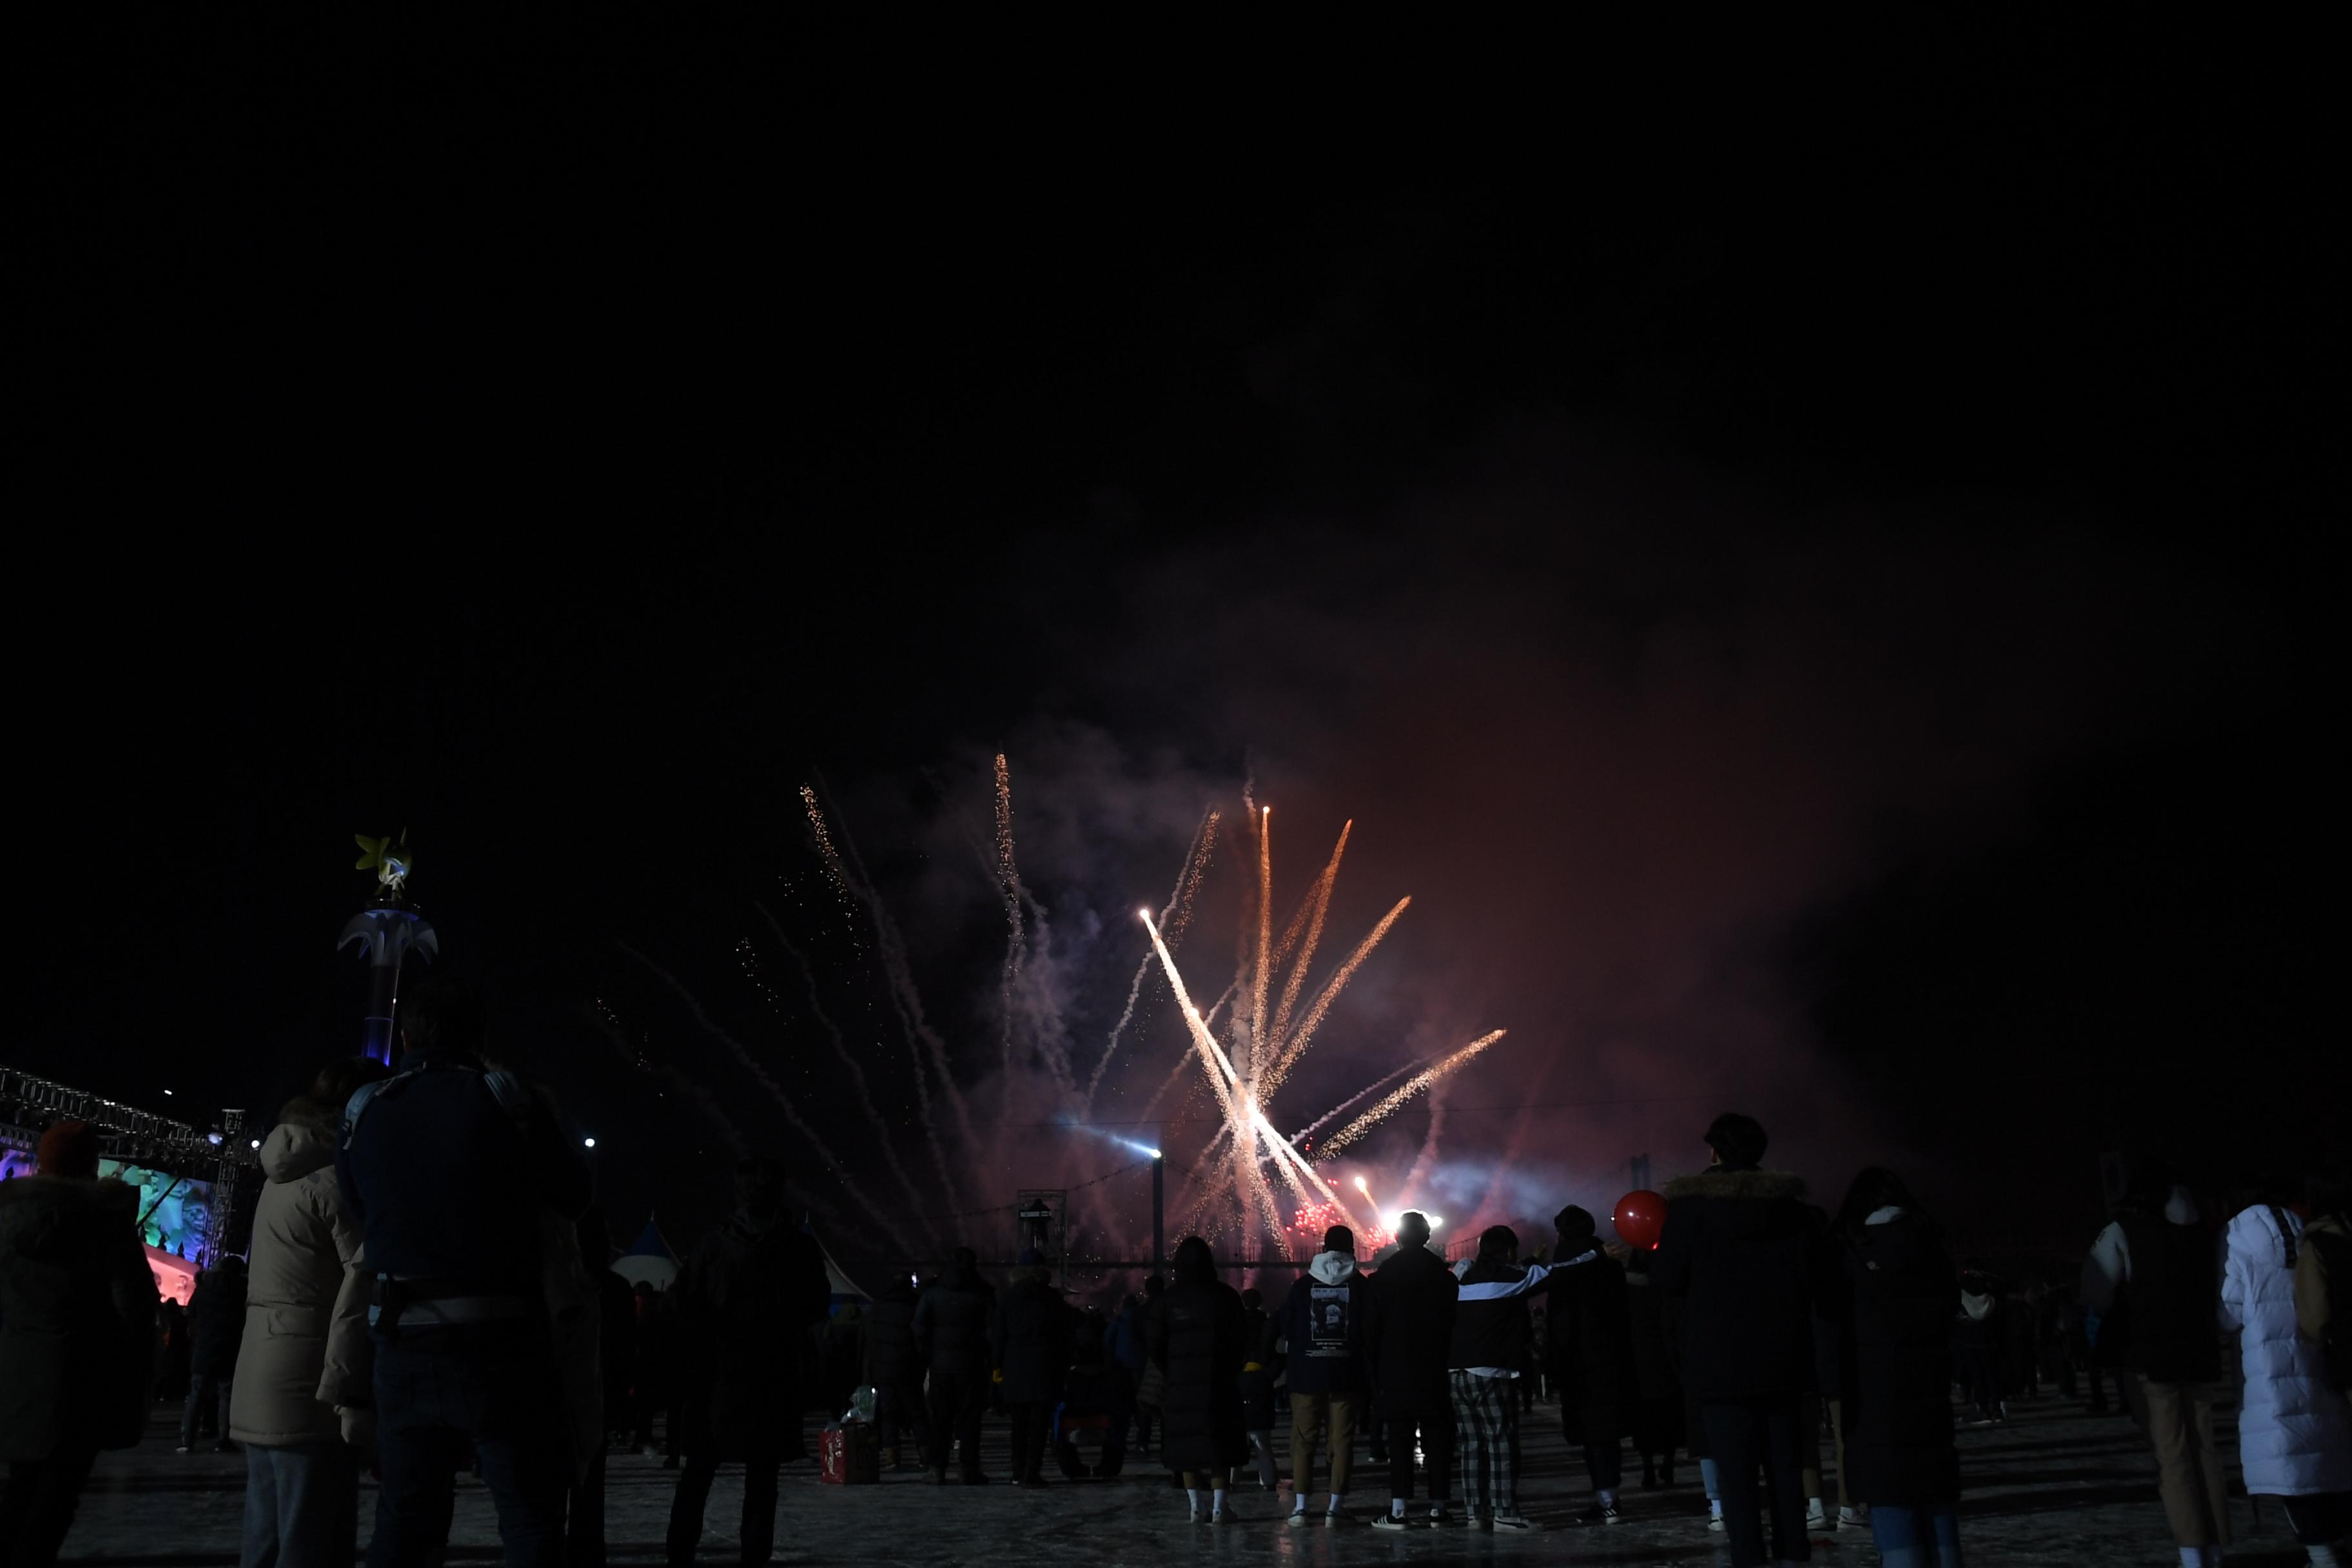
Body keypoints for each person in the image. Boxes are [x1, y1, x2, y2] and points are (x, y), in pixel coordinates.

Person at [335, 974, 594, 1568]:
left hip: (401, 1339)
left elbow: (359, 1212)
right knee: (529, 1521)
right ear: (480, 1034)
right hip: (503, 1341)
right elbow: (574, 1196)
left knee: (404, 1522)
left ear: (405, 1034)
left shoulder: (367, 1109)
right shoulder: (508, 1099)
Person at [228, 1057, 387, 1568]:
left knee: (267, 1533)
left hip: (261, 1367)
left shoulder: (282, 1174)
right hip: (309, 1377)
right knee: (312, 1539)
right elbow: (359, 1286)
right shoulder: (334, 1181)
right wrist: (348, 1391)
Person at [1651, 1112, 1818, 1568]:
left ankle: (1748, 1555)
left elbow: (1667, 1279)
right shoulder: (1794, 1211)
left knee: (1736, 1472)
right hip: (1784, 1358)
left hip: (1718, 1360)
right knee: (1785, 1465)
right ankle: (1794, 1553)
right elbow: (1816, 1281)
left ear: (1715, 1152)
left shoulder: (1690, 1211)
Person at [0, 1120, 157, 1567]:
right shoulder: (103, 1221)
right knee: (57, 1499)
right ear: (91, 1164)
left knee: (21, 1489)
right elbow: (135, 1307)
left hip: (17, 1369)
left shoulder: (8, 1218)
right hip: (84, 1377)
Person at [663, 1158, 830, 1567]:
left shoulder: (713, 1247)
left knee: (699, 1476)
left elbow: (683, 1308)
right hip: (769, 1377)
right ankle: (751, 1558)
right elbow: (815, 1305)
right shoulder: (797, 1248)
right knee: (761, 1481)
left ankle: (679, 1556)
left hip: (716, 1377)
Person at [2082, 1159, 2230, 1568]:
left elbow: (2096, 1292)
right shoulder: (2204, 1230)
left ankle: (2192, 1554)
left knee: (2172, 1456)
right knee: (2205, 1453)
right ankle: (2216, 1549)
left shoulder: (2123, 1230)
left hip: (2147, 1356)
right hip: (2199, 1353)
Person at [2222, 1177, 2352, 1568]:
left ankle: (2321, 1553)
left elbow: (2228, 1311)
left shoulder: (2237, 1238)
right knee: (2325, 1457)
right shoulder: (2306, 1231)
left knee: (2288, 1465)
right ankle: (2337, 1542)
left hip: (2267, 1370)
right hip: (2315, 1360)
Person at [1839, 1167, 1962, 1568]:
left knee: (1888, 1489)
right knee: (1934, 1489)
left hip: (1872, 1385)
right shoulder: (1931, 1246)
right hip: (1929, 1382)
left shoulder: (1853, 1250)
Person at [1267, 1223, 1368, 1527]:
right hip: (1347, 1375)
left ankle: (1300, 1508)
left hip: (1306, 1375)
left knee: (1304, 1440)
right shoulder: (1361, 1286)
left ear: (1322, 1248)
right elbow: (1371, 1330)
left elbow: (1286, 1324)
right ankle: (1335, 1508)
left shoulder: (1302, 1286)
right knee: (1342, 1441)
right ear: (1352, 1249)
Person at [1364, 1211, 1459, 1530]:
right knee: (1438, 1441)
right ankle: (1439, 1508)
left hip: (1394, 1369)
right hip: (1436, 1367)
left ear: (1397, 1238)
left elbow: (1371, 1332)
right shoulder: (1446, 1280)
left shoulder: (1379, 1281)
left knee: (1400, 1441)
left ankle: (1399, 1510)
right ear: (1428, 1236)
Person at [1148, 1235, 1250, 1524]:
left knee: (1185, 1446)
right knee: (1220, 1443)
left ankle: (1195, 1506)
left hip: (1180, 1384)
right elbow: (1240, 1340)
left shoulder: (1168, 1301)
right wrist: (1229, 1368)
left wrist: (1172, 1370)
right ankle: (1220, 1506)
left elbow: (1154, 1343)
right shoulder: (1225, 1296)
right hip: (1218, 1381)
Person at [1451, 1224, 1545, 1531]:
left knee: (1470, 1445)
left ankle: (1474, 1514)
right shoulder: (1509, 1279)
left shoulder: (1463, 1277)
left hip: (1456, 1372)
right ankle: (1505, 1511)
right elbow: (1551, 1274)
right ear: (1508, 1252)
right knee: (1500, 1442)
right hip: (1491, 1371)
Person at [1545, 1206, 1631, 1525]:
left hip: (1579, 1363)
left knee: (1592, 1435)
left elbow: (1559, 1316)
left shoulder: (1566, 1261)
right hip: (1611, 1358)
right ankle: (1610, 1496)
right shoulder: (1609, 1263)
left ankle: (1605, 1500)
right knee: (1606, 1435)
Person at [988, 1247, 1072, 1488]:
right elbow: (1064, 1336)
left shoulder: (1007, 1298)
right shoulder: (1053, 1299)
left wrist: (997, 1368)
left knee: (1019, 1424)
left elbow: (998, 1337)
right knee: (1038, 1426)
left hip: (1015, 1367)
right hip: (1045, 1366)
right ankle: (1031, 1472)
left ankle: (1017, 1471)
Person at [912, 1248, 994, 1485]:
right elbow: (991, 1331)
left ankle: (937, 1468)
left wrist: (928, 1353)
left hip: (941, 1366)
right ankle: (968, 1468)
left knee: (940, 1419)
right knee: (970, 1419)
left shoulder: (932, 1294)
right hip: (972, 1365)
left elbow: (918, 1328)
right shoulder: (983, 1293)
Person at [1622, 1242, 1686, 1491]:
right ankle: (1668, 1464)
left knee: (1644, 1422)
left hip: (1639, 1363)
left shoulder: (1626, 1291)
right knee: (1669, 1418)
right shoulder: (1667, 1289)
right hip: (1666, 1362)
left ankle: (1648, 1467)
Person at [1054, 1311, 1133, 1480]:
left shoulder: (1070, 1351)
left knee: (1057, 1426)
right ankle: (1109, 1468)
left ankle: (1072, 1468)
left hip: (1073, 1410)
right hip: (1105, 1410)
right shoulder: (1109, 1356)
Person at [182, 1257, 249, 1453]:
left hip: (204, 1348)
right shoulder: (239, 1291)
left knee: (197, 1395)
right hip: (229, 1349)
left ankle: (188, 1440)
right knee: (226, 1395)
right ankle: (223, 1439)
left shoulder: (203, 1289)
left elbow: (191, 1314)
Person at [862, 1273, 925, 1471]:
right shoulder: (916, 1307)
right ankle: (926, 1455)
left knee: (888, 1413)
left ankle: (892, 1457)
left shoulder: (877, 1309)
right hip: (909, 1368)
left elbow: (870, 1342)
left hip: (884, 1368)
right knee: (917, 1413)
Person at [1237, 1288, 1279, 1492]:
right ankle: (1268, 1480)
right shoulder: (1267, 1324)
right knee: (1262, 1439)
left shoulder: (1235, 1324)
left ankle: (1231, 1480)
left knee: (1236, 1436)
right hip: (1262, 1380)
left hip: (1239, 1379)